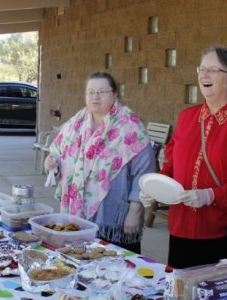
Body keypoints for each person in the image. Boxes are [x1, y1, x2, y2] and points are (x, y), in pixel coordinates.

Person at [140, 46, 227, 268]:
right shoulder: (187, 116)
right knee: (179, 294)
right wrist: (155, 188)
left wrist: (210, 195)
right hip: (180, 227)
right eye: (202, 68)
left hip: (220, 231)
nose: (204, 75)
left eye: (214, 70)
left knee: (214, 298)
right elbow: (171, 165)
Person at [44, 71, 155, 253]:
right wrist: (52, 163)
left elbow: (144, 173)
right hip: (78, 217)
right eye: (91, 92)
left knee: (118, 270)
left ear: (115, 94)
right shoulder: (76, 124)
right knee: (84, 265)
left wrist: (135, 212)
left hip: (115, 218)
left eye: (102, 91)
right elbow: (58, 153)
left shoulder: (130, 126)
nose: (95, 96)